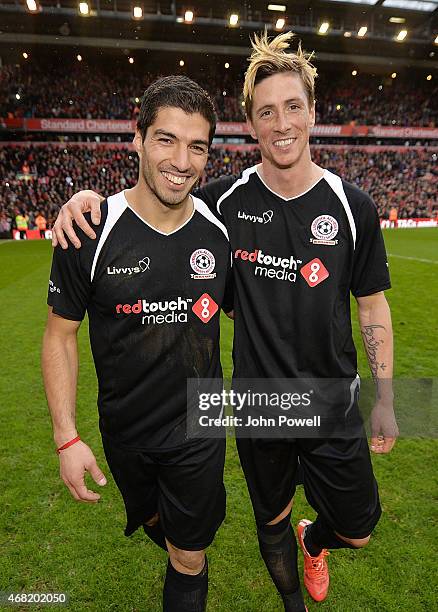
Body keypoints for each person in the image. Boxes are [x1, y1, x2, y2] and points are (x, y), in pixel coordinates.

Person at [51, 32, 398, 612]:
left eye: (292, 107)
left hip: (333, 398)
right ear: (251, 124)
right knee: (270, 521)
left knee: (359, 527)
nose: (281, 123)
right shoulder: (225, 204)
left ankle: (318, 539)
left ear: (312, 112)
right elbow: (161, 196)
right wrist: (85, 199)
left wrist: (386, 394)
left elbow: (372, 305)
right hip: (258, 402)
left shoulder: (352, 204)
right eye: (266, 112)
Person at [42, 76, 233, 612]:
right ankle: (177, 538)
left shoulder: (219, 233)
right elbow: (60, 335)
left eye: (197, 146)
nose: (182, 160)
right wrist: (66, 437)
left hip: (200, 423)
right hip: (125, 430)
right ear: (137, 138)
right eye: (166, 139)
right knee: (160, 527)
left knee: (188, 556)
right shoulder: (91, 229)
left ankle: (188, 558)